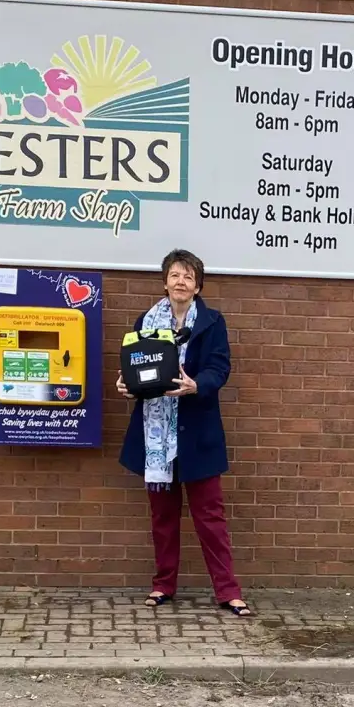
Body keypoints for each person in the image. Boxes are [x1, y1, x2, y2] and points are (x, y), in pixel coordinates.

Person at [117, 249, 253, 618]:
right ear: (165, 281)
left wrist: (197, 385)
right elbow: (134, 367)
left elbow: (220, 367)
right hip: (155, 438)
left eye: (188, 277)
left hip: (197, 435)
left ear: (197, 286)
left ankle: (228, 591)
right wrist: (127, 385)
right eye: (175, 275)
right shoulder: (144, 322)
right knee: (162, 517)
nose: (181, 281)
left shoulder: (212, 322)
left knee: (210, 516)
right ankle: (163, 585)